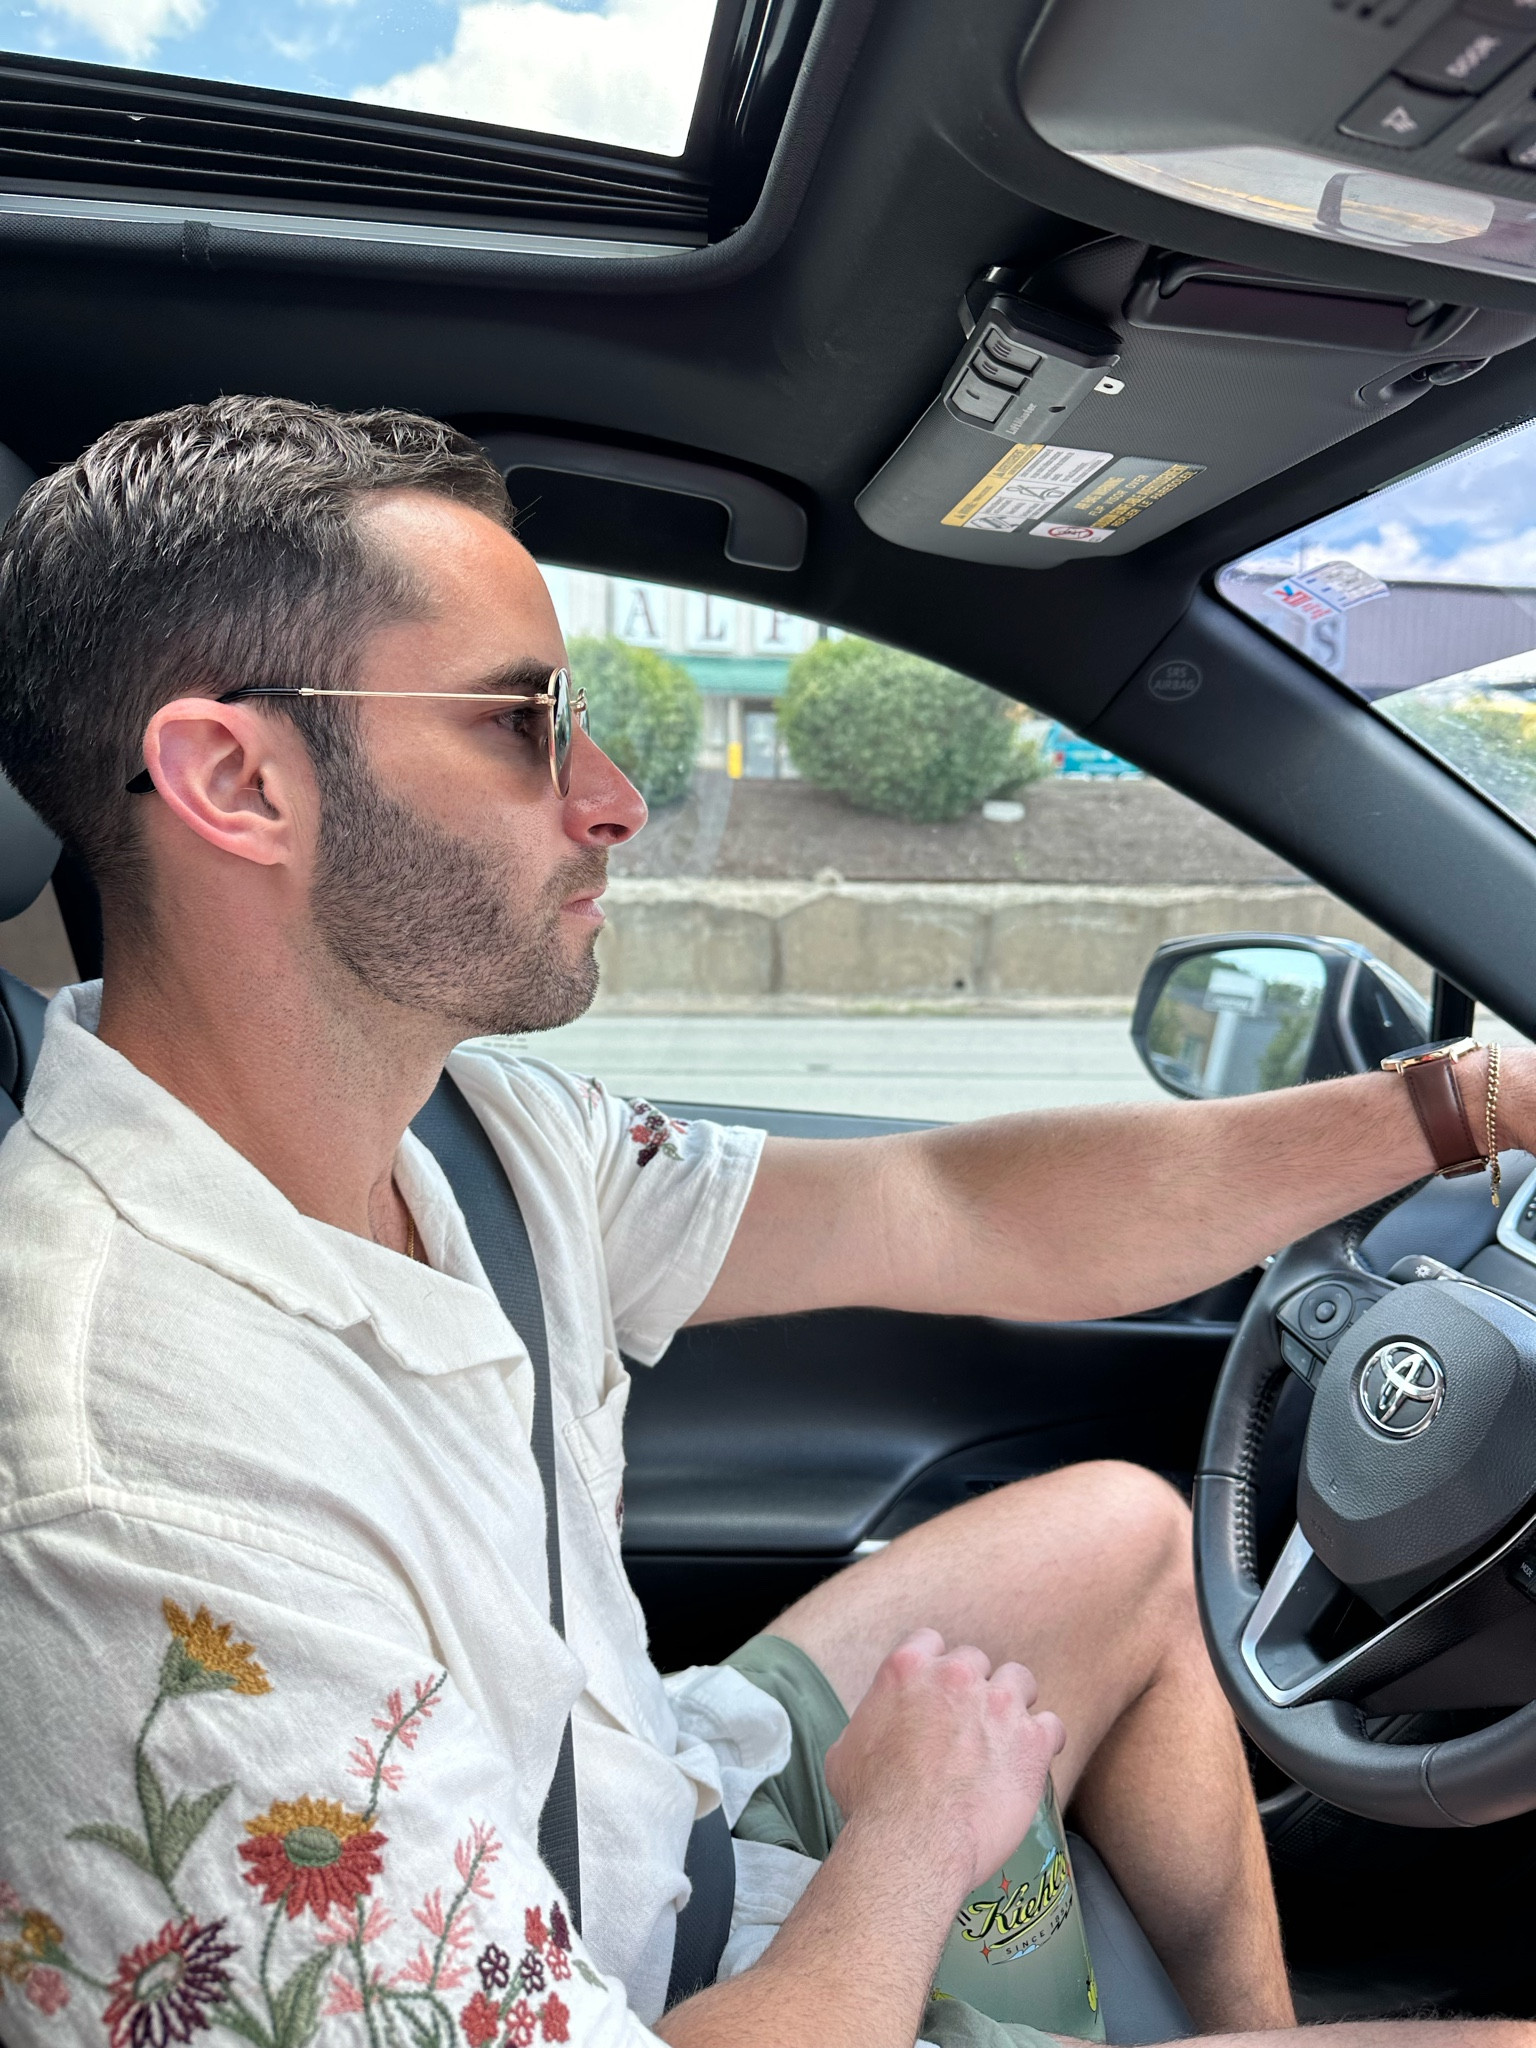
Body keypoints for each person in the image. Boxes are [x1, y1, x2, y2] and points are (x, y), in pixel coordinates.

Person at [0, 396, 1526, 2048]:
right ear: (238, 778)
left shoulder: (480, 1132)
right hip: (655, 1999)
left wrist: (1467, 1113)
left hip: (642, 1832)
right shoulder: (133, 1507)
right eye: (523, 723)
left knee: (1125, 1532)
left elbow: (949, 1205)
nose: (613, 796)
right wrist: (914, 1835)